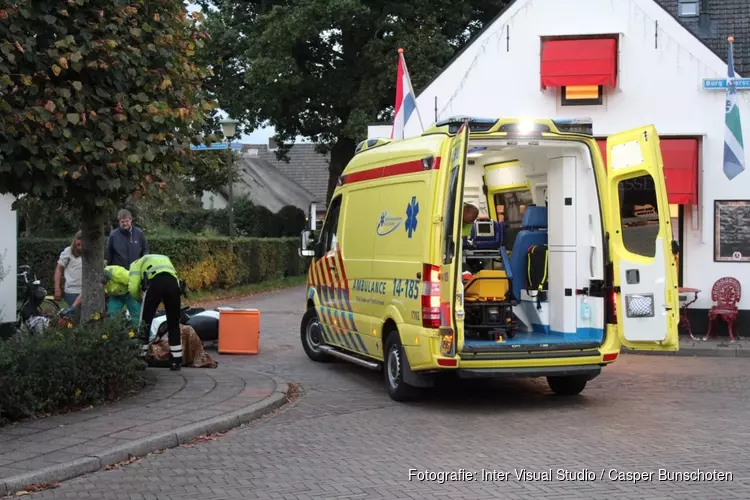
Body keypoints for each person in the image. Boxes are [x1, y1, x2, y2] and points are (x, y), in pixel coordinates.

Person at [129, 254, 183, 371]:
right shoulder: (165, 258)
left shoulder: (134, 264)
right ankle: (176, 360)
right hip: (173, 284)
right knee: (173, 322)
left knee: (145, 322)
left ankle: (140, 359)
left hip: (155, 284)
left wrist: (139, 299)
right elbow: (175, 276)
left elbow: (133, 287)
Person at [54, 231, 83, 321]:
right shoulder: (68, 252)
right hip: (72, 291)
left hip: (87, 291)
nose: (80, 242)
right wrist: (57, 288)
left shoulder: (91, 253)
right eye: (78, 239)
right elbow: (58, 269)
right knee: (74, 319)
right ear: (75, 240)